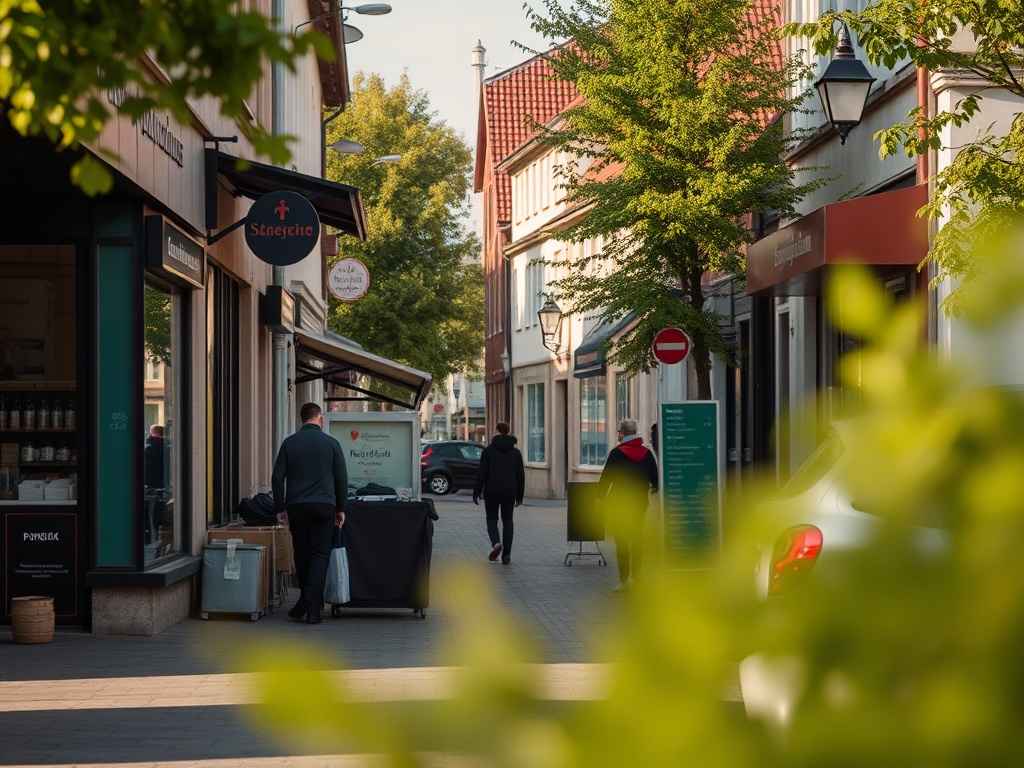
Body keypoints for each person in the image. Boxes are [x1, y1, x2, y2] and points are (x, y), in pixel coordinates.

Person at [272, 402, 348, 624]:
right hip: (324, 506)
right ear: (320, 418)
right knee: (319, 555)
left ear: (301, 419)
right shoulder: (332, 444)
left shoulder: (289, 443)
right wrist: (341, 508)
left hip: (297, 506)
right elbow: (341, 479)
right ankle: (313, 608)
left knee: (302, 554)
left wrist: (280, 508)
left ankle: (306, 601)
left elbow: (277, 478)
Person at [598, 418, 659, 592]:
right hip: (639, 504)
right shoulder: (646, 454)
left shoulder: (616, 454)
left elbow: (606, 477)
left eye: (619, 431)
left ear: (623, 433)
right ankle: (637, 578)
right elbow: (654, 479)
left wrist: (599, 497)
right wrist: (654, 488)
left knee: (622, 542)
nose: (618, 434)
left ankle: (624, 580)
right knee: (637, 540)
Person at [472, 421, 525, 565]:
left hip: (491, 490)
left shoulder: (488, 451)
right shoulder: (515, 453)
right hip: (510, 491)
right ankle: (506, 554)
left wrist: (476, 492)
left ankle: (496, 543)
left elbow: (482, 473)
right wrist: (520, 496)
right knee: (508, 521)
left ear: (496, 431)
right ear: (507, 432)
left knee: (491, 519)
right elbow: (520, 475)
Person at [144, 425, 165, 489]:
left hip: (149, 484)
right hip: (162, 482)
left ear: (151, 433)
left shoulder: (146, 448)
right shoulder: (166, 448)